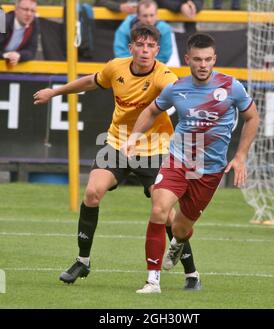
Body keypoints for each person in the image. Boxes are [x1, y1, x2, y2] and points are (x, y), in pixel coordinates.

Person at [33, 24, 200, 291]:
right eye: (140, 45)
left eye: (150, 46)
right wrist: (55, 91)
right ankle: (82, 260)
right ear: (131, 47)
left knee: (165, 214)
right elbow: (90, 81)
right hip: (118, 145)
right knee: (91, 193)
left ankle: (191, 273)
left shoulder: (164, 76)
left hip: (155, 149)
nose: (145, 51)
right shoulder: (116, 67)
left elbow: (182, 97)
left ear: (157, 50)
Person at [122, 32, 260, 293]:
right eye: (197, 59)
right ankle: (152, 281)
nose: (203, 64)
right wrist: (133, 138)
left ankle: (179, 242)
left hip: (209, 170)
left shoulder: (231, 87)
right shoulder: (177, 88)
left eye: (208, 59)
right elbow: (152, 110)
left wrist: (241, 156)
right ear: (188, 59)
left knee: (180, 228)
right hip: (178, 158)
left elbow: (252, 117)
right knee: (158, 209)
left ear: (214, 59)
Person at [0, 0, 39, 66]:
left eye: (32, 11)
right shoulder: (3, 22)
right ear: (16, 10)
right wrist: (6, 55)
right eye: (25, 9)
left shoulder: (34, 23)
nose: (29, 14)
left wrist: (19, 55)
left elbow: (31, 51)